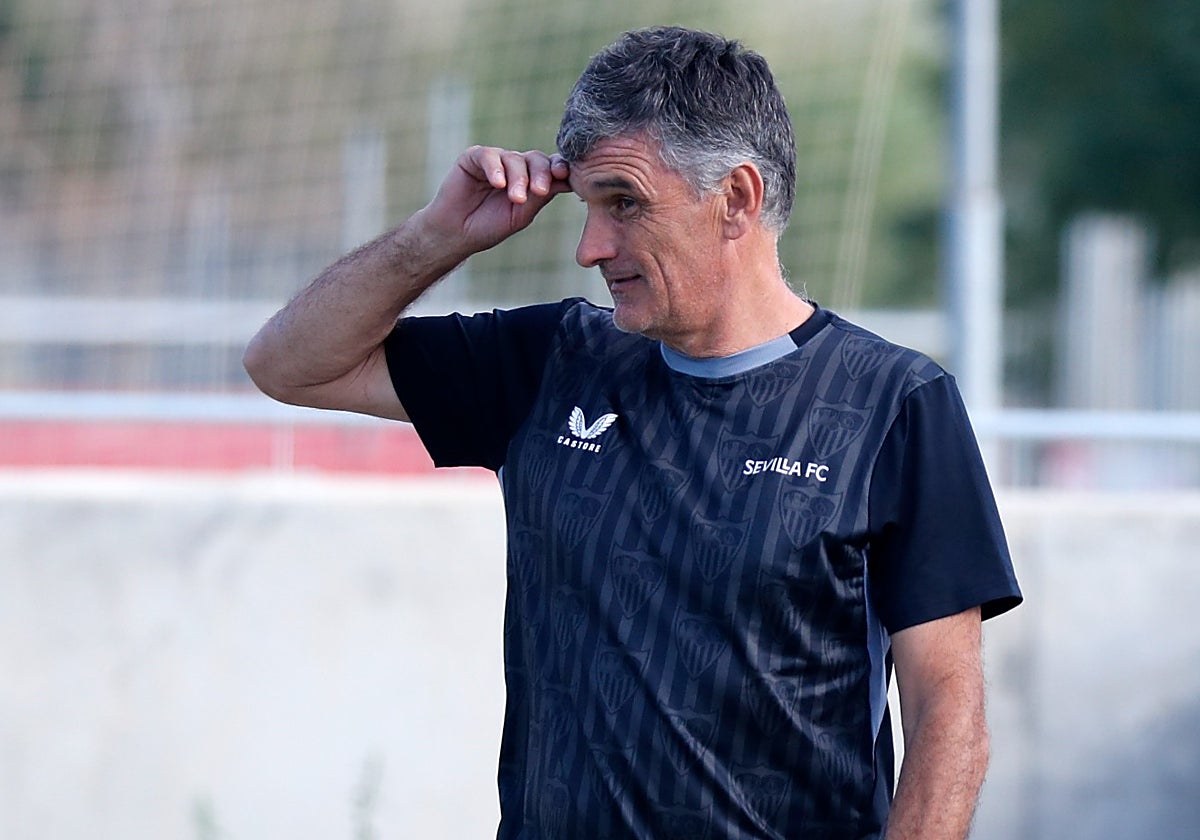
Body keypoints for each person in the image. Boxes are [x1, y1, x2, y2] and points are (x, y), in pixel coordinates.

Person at [244, 26, 1022, 840]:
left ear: (738, 199)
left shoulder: (894, 403)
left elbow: (949, 720)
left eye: (625, 203)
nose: (589, 247)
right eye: (587, 206)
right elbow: (289, 365)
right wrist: (437, 237)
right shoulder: (550, 360)